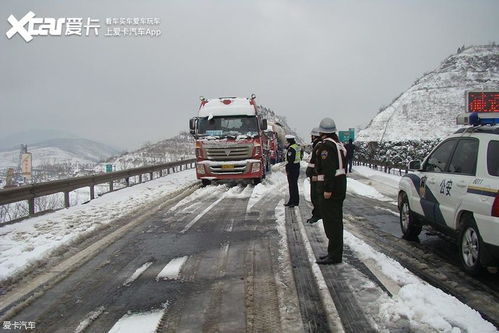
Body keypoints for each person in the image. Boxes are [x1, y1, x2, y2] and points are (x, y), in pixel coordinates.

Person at [314, 118, 347, 265]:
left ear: (322, 131)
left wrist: (327, 189)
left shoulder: (326, 146)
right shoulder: (338, 144)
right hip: (340, 185)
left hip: (331, 188)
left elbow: (328, 169)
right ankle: (333, 252)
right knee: (336, 221)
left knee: (331, 222)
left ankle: (334, 255)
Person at [305, 128, 322, 223]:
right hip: (315, 176)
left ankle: (317, 215)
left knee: (316, 197)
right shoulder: (317, 145)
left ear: (314, 136)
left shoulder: (319, 146)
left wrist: (314, 173)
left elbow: (318, 162)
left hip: (316, 177)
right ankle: (317, 214)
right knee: (315, 197)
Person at [284, 134, 300, 207]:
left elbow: (290, 160)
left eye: (287, 141)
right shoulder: (296, 147)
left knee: (292, 185)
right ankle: (293, 200)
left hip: (292, 168)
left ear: (289, 141)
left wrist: (288, 170)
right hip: (296, 167)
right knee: (294, 185)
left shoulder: (291, 149)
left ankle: (293, 201)